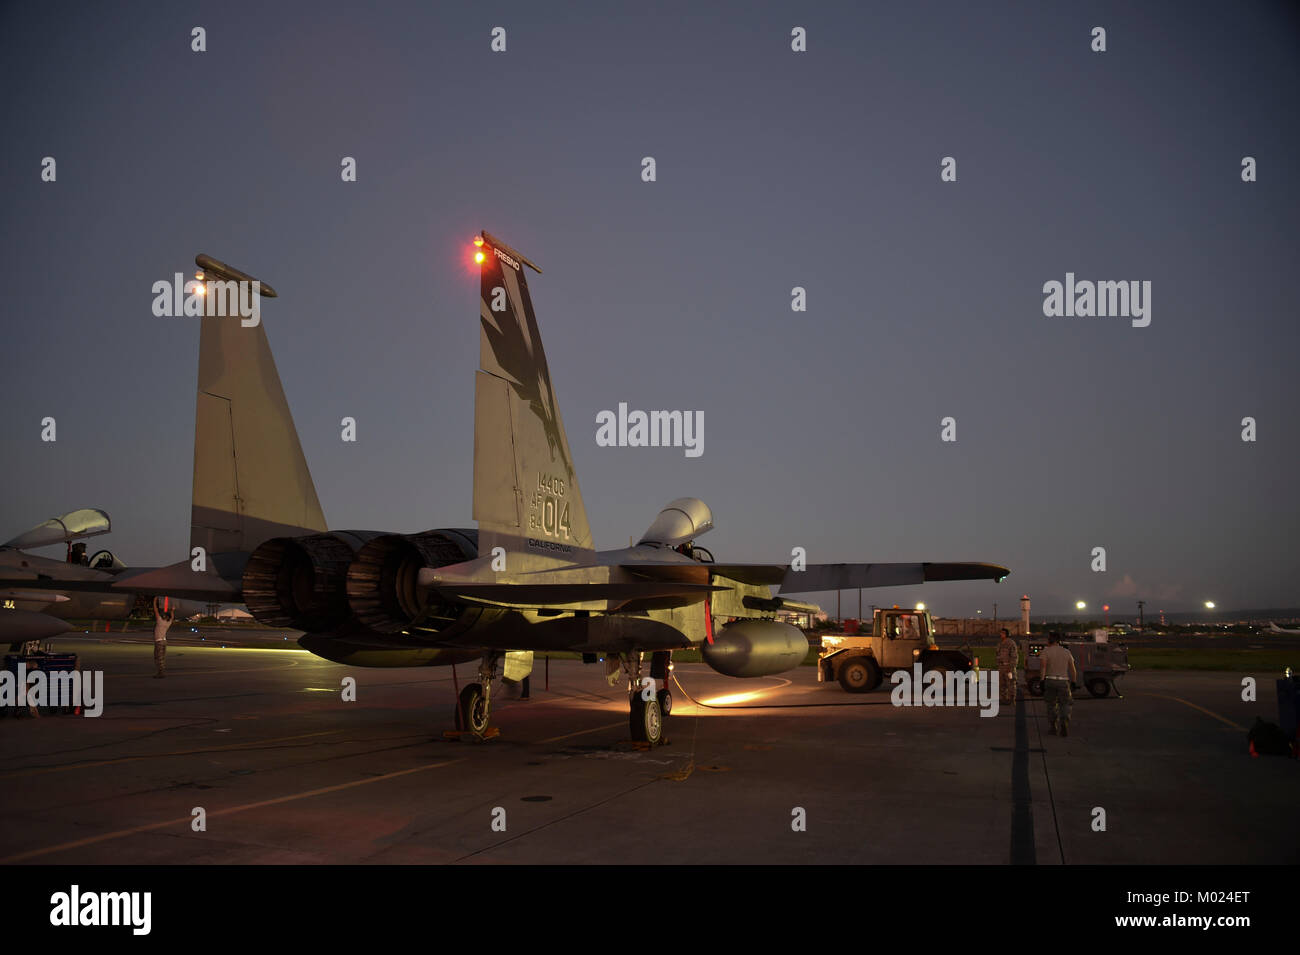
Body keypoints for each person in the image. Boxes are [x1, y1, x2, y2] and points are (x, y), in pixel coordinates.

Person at [1039, 631, 1078, 736]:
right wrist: (1073, 681)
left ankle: (1053, 726)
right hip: (1063, 681)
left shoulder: (1046, 652)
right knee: (1065, 704)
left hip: (1050, 680)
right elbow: (1073, 669)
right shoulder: (1066, 652)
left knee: (1051, 705)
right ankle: (1064, 723)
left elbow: (1043, 667)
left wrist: (1042, 680)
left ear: (1051, 640)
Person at [995, 628, 1018, 704]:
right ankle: (1003, 699)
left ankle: (1011, 700)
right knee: (1002, 684)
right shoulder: (1000, 643)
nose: (1001, 634)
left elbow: (1014, 657)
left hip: (1009, 667)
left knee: (1011, 683)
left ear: (1006, 634)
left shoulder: (1011, 643)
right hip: (1001, 667)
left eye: (1002, 633)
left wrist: (1011, 667)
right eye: (1001, 633)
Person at [152, 598, 174, 678]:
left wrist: (154, 602)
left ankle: (161, 673)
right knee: (161, 657)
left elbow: (155, 610)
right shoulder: (168, 623)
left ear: (164, 617)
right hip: (164, 641)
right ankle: (160, 672)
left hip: (159, 641)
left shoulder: (160, 620)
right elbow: (172, 617)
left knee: (158, 657)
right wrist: (172, 611)